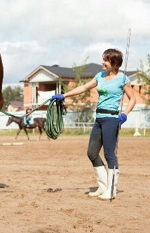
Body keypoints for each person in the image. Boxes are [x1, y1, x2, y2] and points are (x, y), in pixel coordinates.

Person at [50, 48, 136, 200]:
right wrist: (64, 95)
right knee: (92, 152)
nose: (103, 62)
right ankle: (103, 186)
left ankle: (111, 189)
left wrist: (125, 114)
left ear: (114, 63)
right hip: (99, 119)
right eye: (103, 59)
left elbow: (133, 99)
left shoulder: (123, 79)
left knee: (110, 154)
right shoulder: (100, 76)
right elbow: (84, 87)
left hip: (111, 119)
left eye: (106, 60)